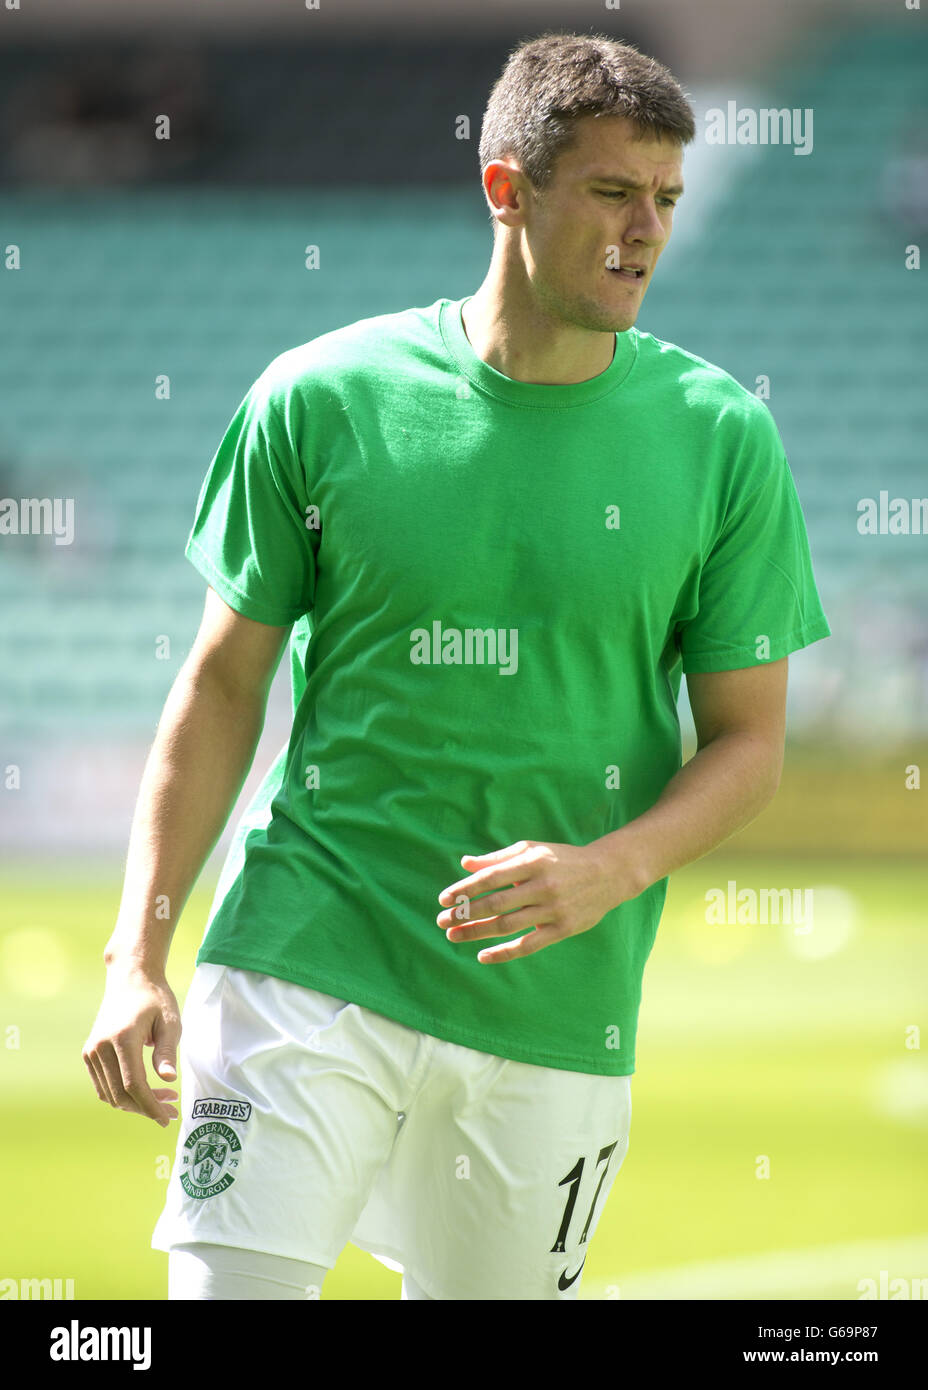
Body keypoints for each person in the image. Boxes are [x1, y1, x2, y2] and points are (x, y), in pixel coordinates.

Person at [82, 30, 831, 1301]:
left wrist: (612, 867)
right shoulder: (318, 399)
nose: (643, 230)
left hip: (556, 1003)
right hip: (303, 957)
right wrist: (134, 955)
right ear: (506, 188)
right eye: (608, 191)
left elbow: (750, 740)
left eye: (664, 201)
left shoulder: (723, 438)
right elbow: (219, 686)